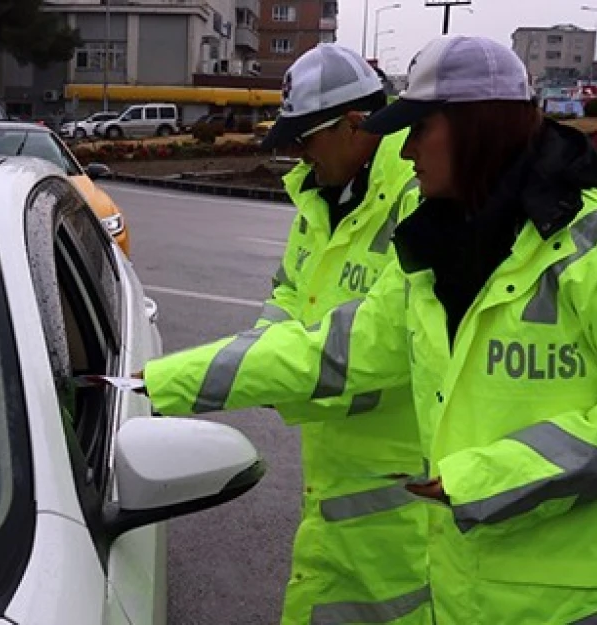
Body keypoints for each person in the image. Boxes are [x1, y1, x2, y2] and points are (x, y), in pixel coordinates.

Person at [139, 35, 597, 624]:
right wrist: (154, 383)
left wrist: (485, 478)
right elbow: (331, 350)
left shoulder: (582, 245)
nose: (404, 153)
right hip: (462, 587)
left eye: (418, 130)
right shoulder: (436, 254)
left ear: (472, 129)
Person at [251, 43, 429, 625]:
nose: (299, 155)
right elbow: (287, 295)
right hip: (333, 484)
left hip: (406, 499)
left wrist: (201, 380)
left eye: (307, 138)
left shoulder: (422, 198)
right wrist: (260, 357)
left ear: (356, 125)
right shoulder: (321, 196)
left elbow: (383, 346)